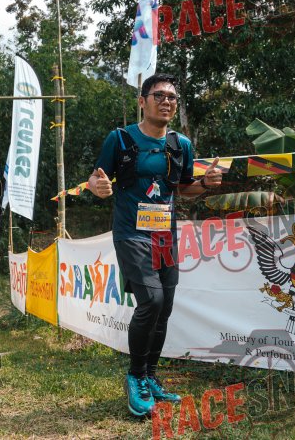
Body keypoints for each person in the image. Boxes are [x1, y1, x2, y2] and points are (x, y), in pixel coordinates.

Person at [87, 73, 223, 417]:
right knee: (152, 300)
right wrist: (97, 187)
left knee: (165, 308)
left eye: (172, 97)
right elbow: (96, 177)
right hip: (131, 233)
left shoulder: (181, 145)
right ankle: (135, 377)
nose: (166, 102)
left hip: (164, 236)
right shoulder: (120, 139)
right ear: (142, 101)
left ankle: (150, 376)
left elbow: (184, 188)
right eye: (159, 95)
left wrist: (205, 184)